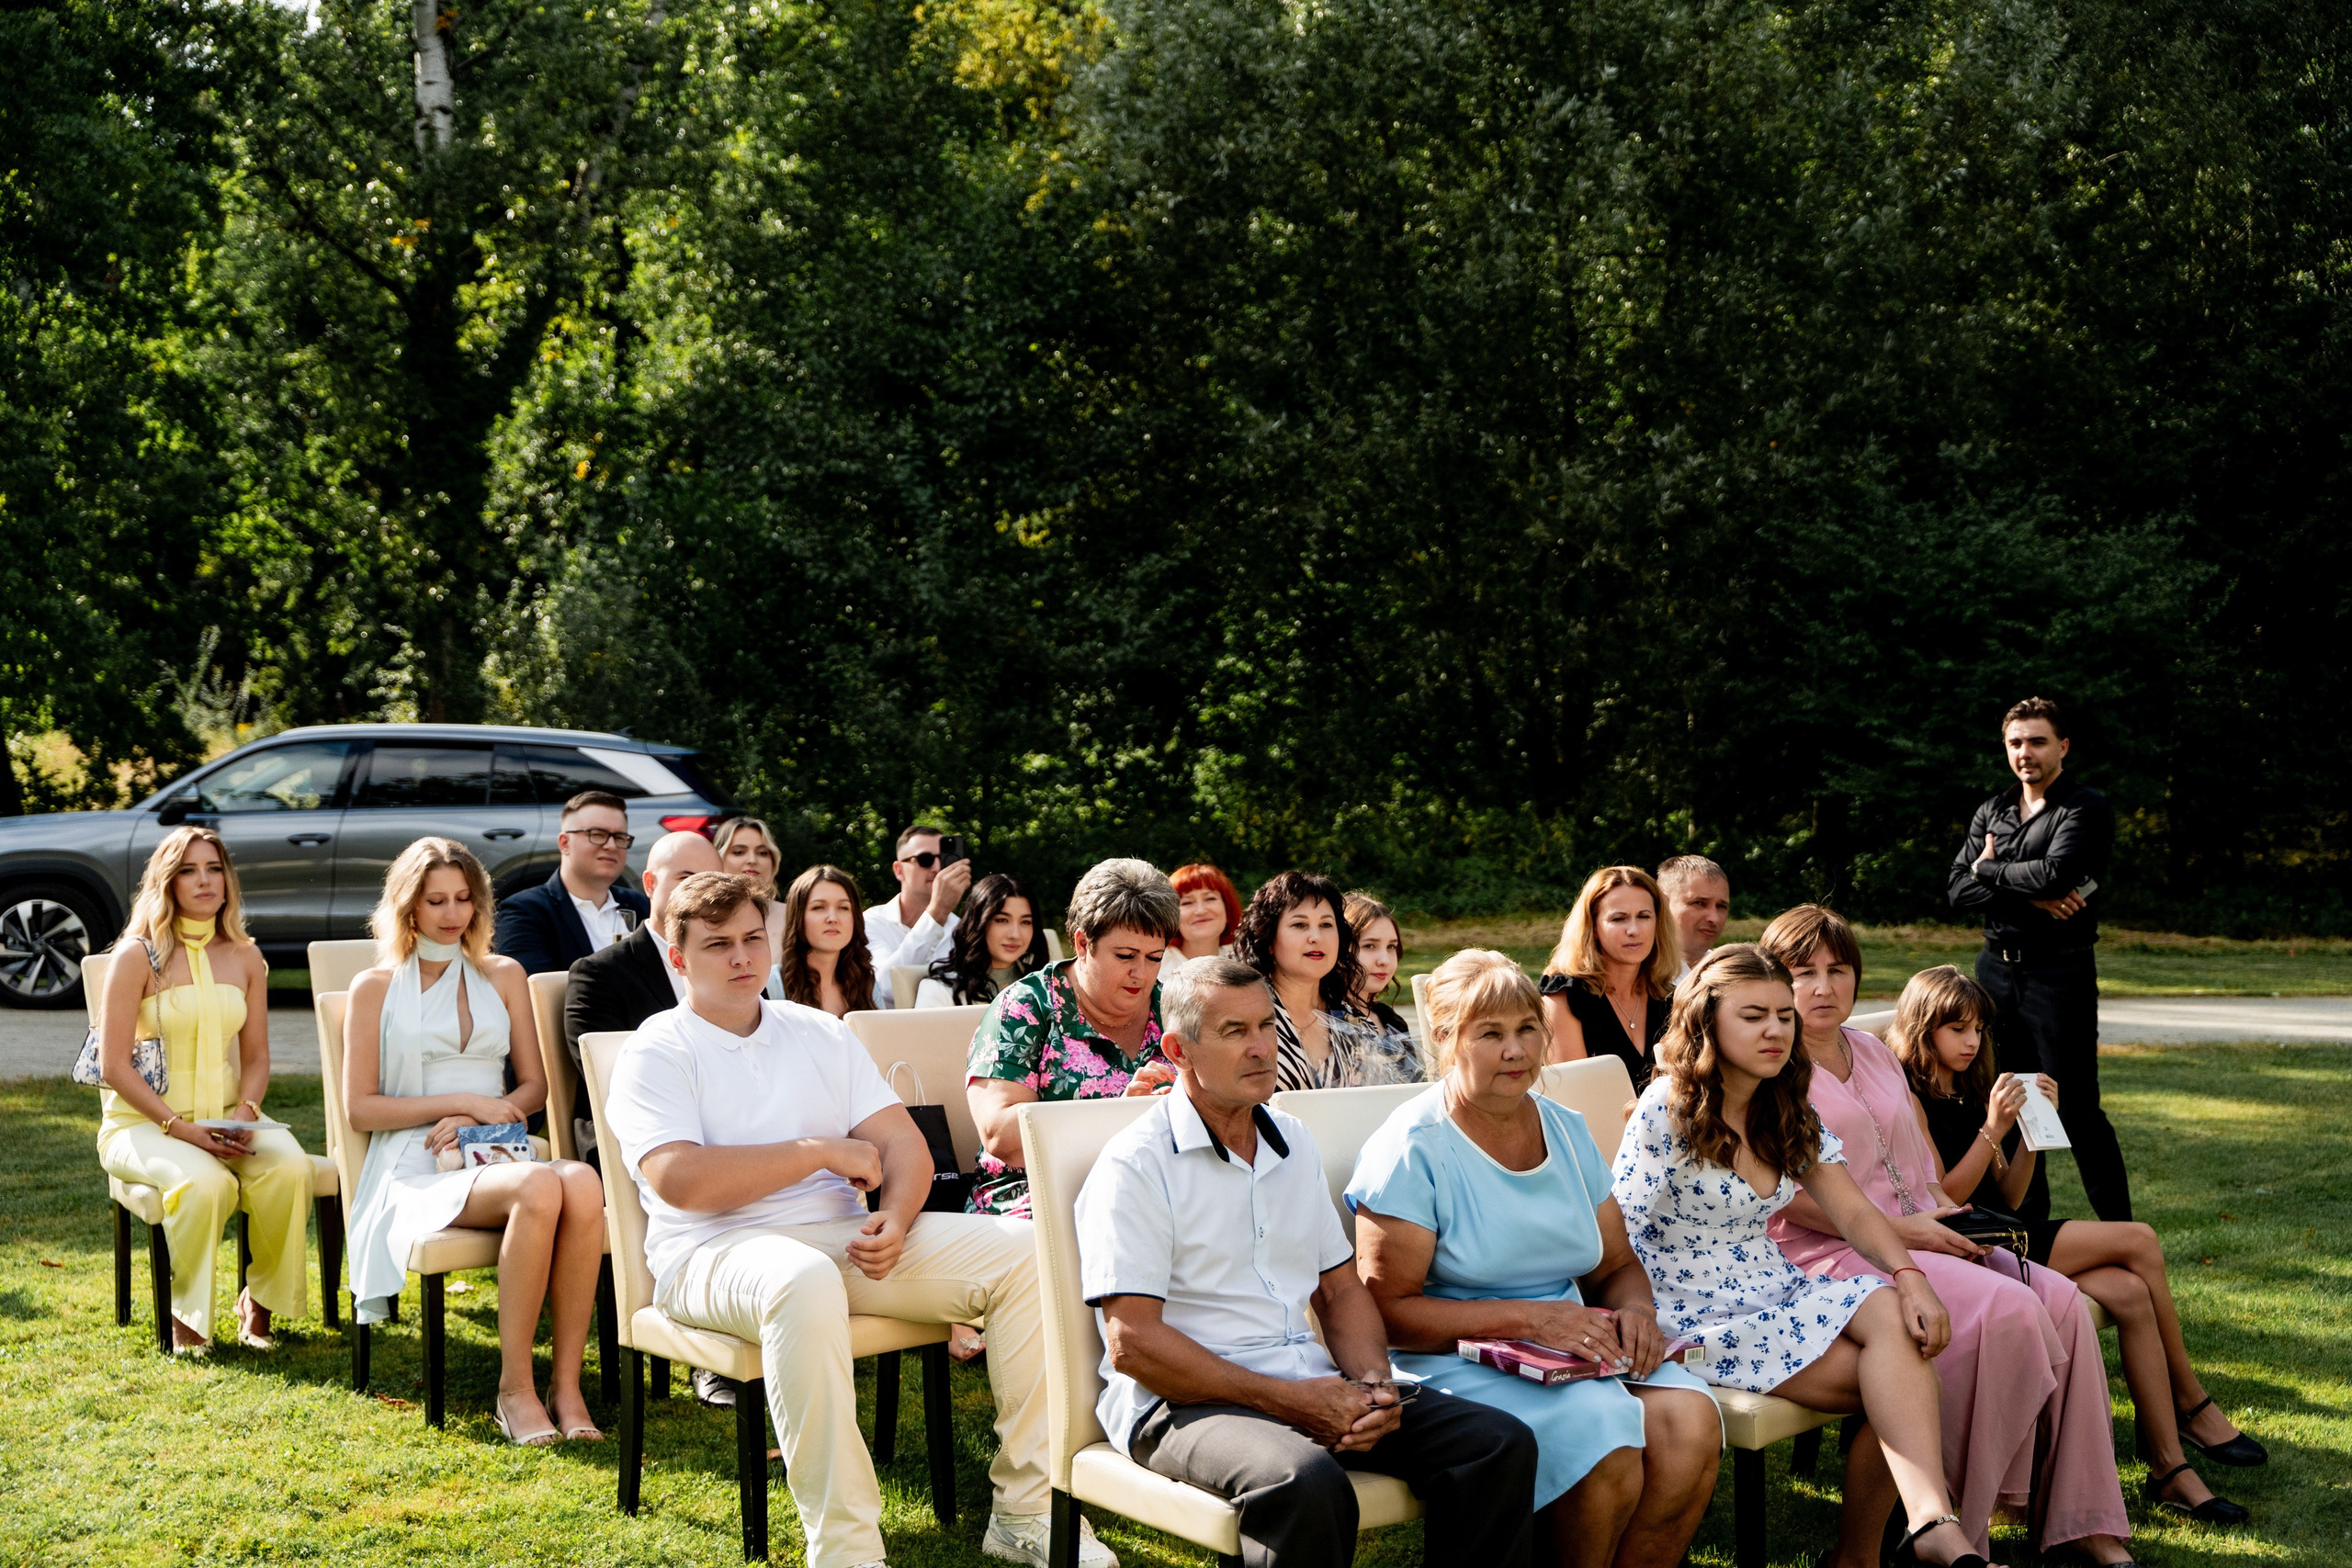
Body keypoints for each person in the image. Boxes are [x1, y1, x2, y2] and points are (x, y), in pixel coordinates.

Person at [602, 872, 1101, 1568]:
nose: (743, 956)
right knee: (801, 1279)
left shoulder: (818, 1033)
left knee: (1024, 1250)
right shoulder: (657, 1048)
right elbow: (681, 1180)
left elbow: (902, 1145)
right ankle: (846, 1550)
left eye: (753, 937)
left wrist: (896, 1215)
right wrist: (818, 1151)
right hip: (711, 1253)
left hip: (840, 1241)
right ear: (679, 956)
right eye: (718, 945)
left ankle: (1025, 1510)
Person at [1077, 957, 1543, 1568]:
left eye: (1267, 1026)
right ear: (1178, 1049)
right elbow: (1133, 1343)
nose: (1260, 1047)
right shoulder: (1136, 1164)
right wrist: (1288, 1401)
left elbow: (1340, 1290)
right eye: (1233, 1031)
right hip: (1179, 1403)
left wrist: (1376, 1387)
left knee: (1498, 1444)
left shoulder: (1292, 1139)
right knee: (1306, 1479)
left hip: (1305, 1379)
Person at [1757, 907, 2132, 1566]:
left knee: (2065, 1301)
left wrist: (1953, 1219)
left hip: (1930, 1227)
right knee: (2011, 1308)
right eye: (1802, 971)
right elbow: (1781, 1200)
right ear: (1773, 979)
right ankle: (1957, 1530)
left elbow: (1929, 1172)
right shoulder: (1769, 1068)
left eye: (1837, 970)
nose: (1822, 986)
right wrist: (1913, 1233)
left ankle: (2084, 1519)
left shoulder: (1872, 1049)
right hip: (1839, 1252)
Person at [1611, 945, 1996, 1568]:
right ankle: (1886, 1546)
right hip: (1691, 1316)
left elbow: (1856, 1214)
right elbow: (1616, 1231)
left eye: (1784, 1016)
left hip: (1772, 1289)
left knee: (1899, 1319)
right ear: (1707, 1022)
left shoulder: (1783, 1102)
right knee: (1908, 1377)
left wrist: (1912, 1276)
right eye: (1754, 1015)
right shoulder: (1669, 1108)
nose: (1775, 1030)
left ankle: (1921, 1524)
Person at [1349, 951, 1719, 1568]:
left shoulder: (1567, 1129)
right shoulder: (1412, 1146)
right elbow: (1386, 1312)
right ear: (1446, 1040)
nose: (1515, 1049)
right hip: (1452, 1354)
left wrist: (1634, 1312)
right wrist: (1530, 1321)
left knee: (1691, 1422)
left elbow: (1616, 1263)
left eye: (1526, 1029)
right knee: (1608, 1438)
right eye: (1490, 1034)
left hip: (1571, 1344)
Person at [1890, 965, 2258, 1518]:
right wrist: (1993, 1128)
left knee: (2130, 1292)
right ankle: (2191, 1400)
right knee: (2139, 1239)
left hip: (2005, 1227)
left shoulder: (1967, 1088)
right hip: (1971, 1244)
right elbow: (1943, 1198)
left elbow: (2010, 1194)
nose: (1971, 1042)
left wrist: (2035, 1128)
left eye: (1977, 1030)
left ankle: (2168, 1467)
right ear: (1924, 1029)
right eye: (1956, 1030)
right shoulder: (1913, 1095)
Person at [345, 838, 607, 1445]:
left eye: (464, 897)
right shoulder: (374, 986)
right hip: (413, 1159)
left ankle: (565, 1386)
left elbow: (535, 1086)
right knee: (544, 1184)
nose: (452, 912)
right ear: (408, 905)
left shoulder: (504, 973)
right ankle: (514, 1389)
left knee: (583, 1180)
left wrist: (483, 1121)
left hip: (496, 1146)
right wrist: (460, 1105)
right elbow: (360, 1108)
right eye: (436, 899)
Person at [95, 826, 312, 1354]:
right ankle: (187, 1318)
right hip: (144, 1125)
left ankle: (257, 1304)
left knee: (290, 1168)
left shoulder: (245, 956)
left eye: (214, 868)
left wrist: (244, 1111)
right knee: (206, 1184)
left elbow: (257, 1057)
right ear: (167, 883)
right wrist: (182, 1128)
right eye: (189, 871)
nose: (205, 880)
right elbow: (112, 1065)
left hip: (228, 1118)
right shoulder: (135, 956)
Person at [565, 827, 739, 1406]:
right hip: (631, 1141)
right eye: (684, 879)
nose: (699, 891)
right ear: (649, 885)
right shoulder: (600, 973)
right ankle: (708, 1349)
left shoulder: (732, 971)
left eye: (710, 880)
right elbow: (610, 1083)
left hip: (726, 1127)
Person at [1945, 696, 2128, 1223]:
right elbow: (1957, 890)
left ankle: (2122, 1231)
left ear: (2063, 746)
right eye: (2016, 742)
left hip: (2059, 972)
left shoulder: (2084, 808)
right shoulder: (1992, 811)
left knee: (2075, 1107)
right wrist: (2024, 890)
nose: (2026, 752)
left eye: (2038, 741)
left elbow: (2056, 874)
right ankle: (2030, 1232)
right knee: (2012, 1100)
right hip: (1995, 973)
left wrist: (1990, 872)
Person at [964, 859, 1177, 1216]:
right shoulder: (1026, 1008)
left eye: (1154, 958)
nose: (1140, 973)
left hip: (1158, 1189)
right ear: (1082, 943)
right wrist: (1120, 1115)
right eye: (1124, 955)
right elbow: (999, 1135)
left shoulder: (1172, 1009)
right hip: (1037, 1195)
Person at [1236, 870, 1420, 1091]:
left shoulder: (1356, 1023)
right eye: (1300, 925)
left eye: (1326, 925)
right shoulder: (1242, 1013)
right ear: (1268, 940)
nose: (1316, 937)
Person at [1538, 867, 1679, 1089]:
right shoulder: (1565, 996)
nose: (1634, 930)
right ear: (1593, 928)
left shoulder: (1670, 998)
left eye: (1644, 916)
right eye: (1618, 919)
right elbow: (1572, 1097)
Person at [494, 790, 651, 976]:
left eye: (619, 837)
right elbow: (537, 993)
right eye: (597, 834)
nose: (611, 845)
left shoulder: (641, 906)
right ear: (564, 843)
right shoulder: (525, 912)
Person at [865, 824, 972, 1009]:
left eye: (943, 858)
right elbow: (885, 988)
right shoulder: (872, 922)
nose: (937, 867)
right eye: (925, 859)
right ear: (899, 870)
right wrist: (936, 913)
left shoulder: (963, 930)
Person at [917, 873, 1049, 1007]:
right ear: (977, 922)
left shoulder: (1049, 986)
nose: (1015, 934)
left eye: (1026, 922)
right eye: (1002, 920)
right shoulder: (939, 990)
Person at [777, 864, 877, 1017]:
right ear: (798, 917)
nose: (832, 918)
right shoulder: (773, 984)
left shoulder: (868, 984)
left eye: (843, 908)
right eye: (818, 907)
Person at [714, 816, 790, 978]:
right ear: (718, 858)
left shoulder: (793, 917)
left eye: (762, 853)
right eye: (739, 852)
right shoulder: (703, 918)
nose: (752, 860)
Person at [1341, 892, 1416, 1044]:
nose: (1385, 960)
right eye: (1369, 946)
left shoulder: (1392, 1021)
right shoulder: (1325, 1019)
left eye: (1391, 947)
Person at [1655, 857, 1729, 982]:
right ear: (1663, 903)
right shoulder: (1638, 978)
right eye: (1699, 903)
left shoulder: (1731, 976)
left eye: (1721, 906)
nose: (1714, 918)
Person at [1168, 862, 1243, 964]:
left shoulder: (1245, 963)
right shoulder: (1153, 966)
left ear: (1227, 907)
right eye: (1187, 902)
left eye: (1210, 899)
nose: (1201, 911)